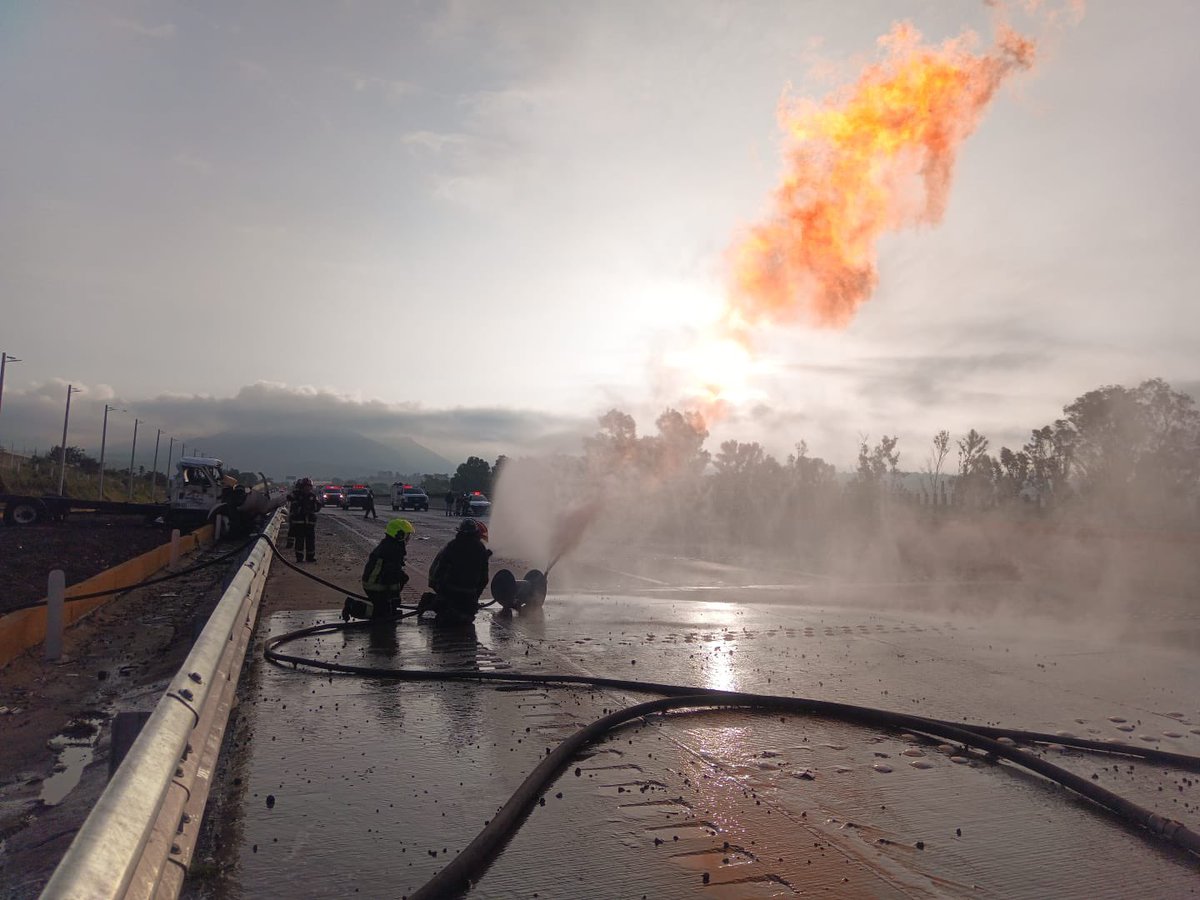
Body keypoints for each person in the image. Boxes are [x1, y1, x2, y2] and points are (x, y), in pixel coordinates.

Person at [418, 518, 491, 625]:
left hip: (451, 591)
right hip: (458, 593)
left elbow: (439, 572)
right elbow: (484, 579)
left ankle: (437, 602)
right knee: (459, 617)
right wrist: (475, 596)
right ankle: (431, 600)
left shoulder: (451, 546)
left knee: (456, 616)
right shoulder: (480, 549)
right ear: (476, 534)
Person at [354, 518, 413, 620]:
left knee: (402, 577)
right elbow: (392, 575)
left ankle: (386, 606)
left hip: (374, 582)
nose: (408, 539)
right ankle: (353, 607)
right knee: (383, 614)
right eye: (407, 536)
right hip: (375, 585)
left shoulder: (389, 545)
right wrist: (394, 598)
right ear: (399, 535)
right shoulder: (393, 550)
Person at [288, 477, 320, 563]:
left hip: (310, 523)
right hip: (299, 523)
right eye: (306, 486)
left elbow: (317, 507)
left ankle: (310, 557)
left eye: (309, 486)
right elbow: (290, 500)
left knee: (311, 541)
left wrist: (312, 508)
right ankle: (299, 558)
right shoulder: (296, 495)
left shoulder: (312, 496)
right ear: (302, 487)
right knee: (299, 541)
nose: (308, 488)